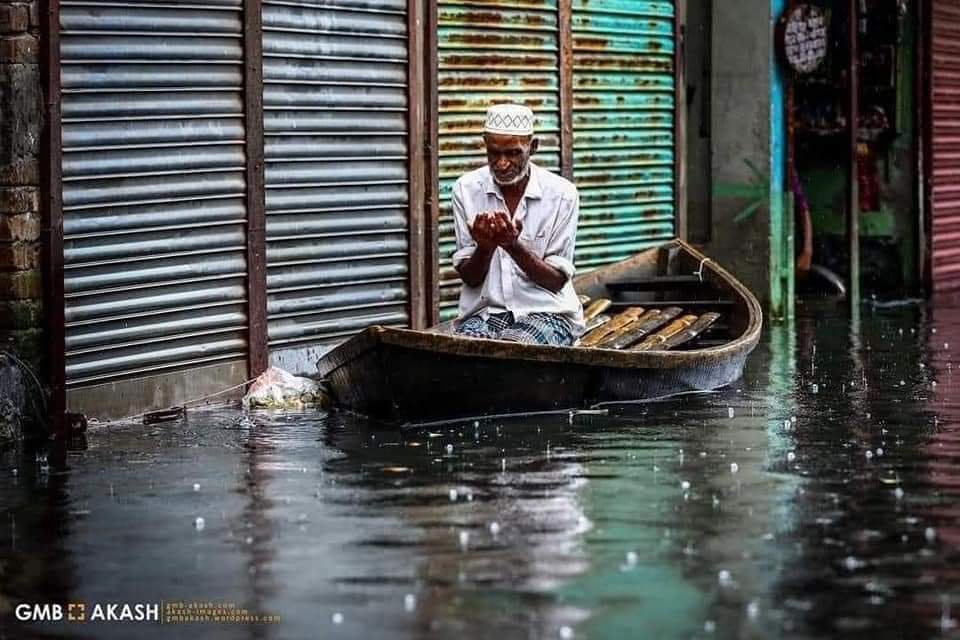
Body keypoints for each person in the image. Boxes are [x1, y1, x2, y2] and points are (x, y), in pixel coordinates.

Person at [450, 103, 585, 346]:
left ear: (532, 147)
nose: (501, 164)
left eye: (512, 153)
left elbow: (555, 281)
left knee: (513, 348)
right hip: (486, 313)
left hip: (548, 312)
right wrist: (485, 247)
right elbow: (470, 278)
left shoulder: (562, 194)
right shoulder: (466, 189)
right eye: (494, 153)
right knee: (463, 351)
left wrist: (513, 246)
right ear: (485, 145)